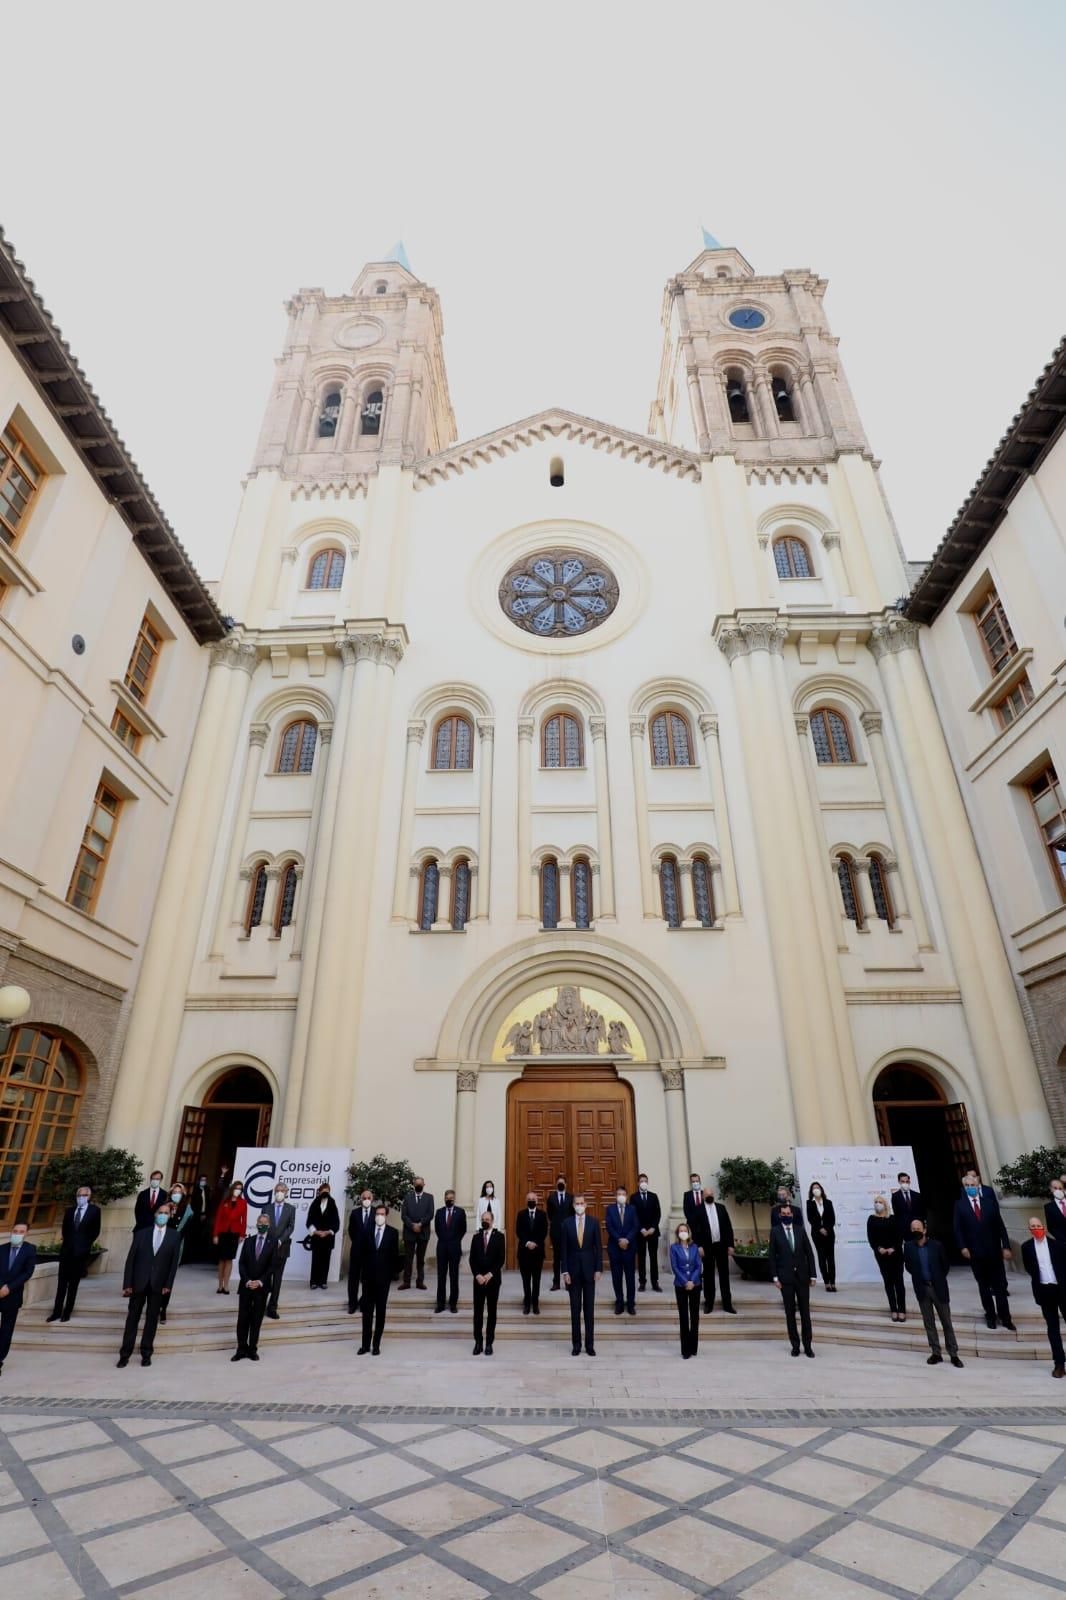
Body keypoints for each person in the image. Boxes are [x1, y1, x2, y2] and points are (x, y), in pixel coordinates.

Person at [118, 1202, 179, 1368]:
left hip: (158, 1285)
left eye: (166, 1213)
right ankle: (125, 1354)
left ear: (170, 1216)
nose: (163, 1215)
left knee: (152, 1320)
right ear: (155, 1214)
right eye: (160, 1212)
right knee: (132, 1319)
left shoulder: (174, 1236)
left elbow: (173, 1265)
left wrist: (168, 1285)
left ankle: (146, 1353)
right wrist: (127, 1283)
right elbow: (131, 1260)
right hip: (139, 1282)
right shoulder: (141, 1234)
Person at [953, 1169, 1015, 1330]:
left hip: (994, 1251)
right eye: (966, 1185)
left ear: (978, 1184)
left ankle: (1005, 1317)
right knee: (984, 1287)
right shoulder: (959, 1205)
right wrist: (963, 1247)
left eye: (972, 1185)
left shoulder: (988, 1203)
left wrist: (1006, 1246)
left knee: (1000, 1286)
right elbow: (958, 1229)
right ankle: (990, 1316)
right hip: (975, 1253)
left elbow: (1000, 1227)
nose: (970, 1187)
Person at [903, 1218, 964, 1368]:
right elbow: (909, 1266)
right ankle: (936, 1352)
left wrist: (936, 1279)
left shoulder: (936, 1246)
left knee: (946, 1322)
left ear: (924, 1230)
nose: (916, 1231)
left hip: (938, 1288)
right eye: (913, 1229)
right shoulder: (909, 1247)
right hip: (922, 1289)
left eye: (918, 1228)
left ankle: (954, 1354)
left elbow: (945, 1266)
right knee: (929, 1323)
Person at [768, 1202, 816, 1357]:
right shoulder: (775, 1232)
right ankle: (795, 1345)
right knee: (790, 1313)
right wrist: (775, 1277)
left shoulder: (800, 1230)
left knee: (805, 1313)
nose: (787, 1216)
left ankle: (808, 1345)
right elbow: (772, 1257)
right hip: (785, 1279)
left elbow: (809, 1253)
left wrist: (813, 1275)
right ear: (780, 1215)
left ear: (792, 1215)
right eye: (784, 1214)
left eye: (789, 1214)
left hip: (802, 1278)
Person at [1021, 1216, 1066, 1378]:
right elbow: (1029, 1268)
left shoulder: (1058, 1245)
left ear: (1044, 1227)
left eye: (1038, 1226)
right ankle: (1059, 1364)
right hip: (1044, 1291)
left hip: (1061, 1289)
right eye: (1033, 1226)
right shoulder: (1026, 1247)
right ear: (1030, 1230)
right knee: (1053, 1328)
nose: (1036, 1228)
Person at [48, 1184, 101, 1323]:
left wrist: (84, 1245)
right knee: (61, 1284)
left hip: (81, 1253)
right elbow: (65, 1229)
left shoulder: (95, 1211)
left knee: (73, 1284)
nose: (81, 1198)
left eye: (84, 1195)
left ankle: (67, 1312)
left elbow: (95, 1231)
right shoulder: (70, 1211)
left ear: (89, 1197)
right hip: (66, 1252)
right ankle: (56, 1312)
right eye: (79, 1195)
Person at [232, 1214, 278, 1362]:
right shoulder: (249, 1241)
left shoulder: (272, 1243)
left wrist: (260, 1281)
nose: (262, 1225)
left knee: (256, 1319)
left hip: (261, 1289)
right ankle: (241, 1348)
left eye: (265, 1223)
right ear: (256, 1223)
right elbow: (242, 1263)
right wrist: (247, 1281)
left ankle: (252, 1349)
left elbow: (272, 1266)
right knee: (243, 1319)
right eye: (260, 1222)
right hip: (246, 1287)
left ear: (269, 1225)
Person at [561, 1194, 602, 1356]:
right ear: (573, 1205)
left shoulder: (593, 1223)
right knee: (575, 1310)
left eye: (582, 1203)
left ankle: (590, 1345)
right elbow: (563, 1250)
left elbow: (598, 1247)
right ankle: (576, 1344)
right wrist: (565, 1272)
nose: (579, 1205)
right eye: (577, 1203)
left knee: (589, 1311)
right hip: (572, 1272)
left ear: (586, 1205)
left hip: (589, 1272)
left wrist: (598, 1269)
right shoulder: (566, 1223)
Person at [359, 1203, 398, 1355]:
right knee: (367, 1314)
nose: (379, 1216)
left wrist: (389, 1275)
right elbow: (362, 1255)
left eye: (382, 1214)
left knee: (380, 1313)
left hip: (383, 1281)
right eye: (377, 1214)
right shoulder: (367, 1232)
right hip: (368, 1279)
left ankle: (376, 1345)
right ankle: (365, 1345)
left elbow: (394, 1256)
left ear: (386, 1216)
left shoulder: (392, 1233)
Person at [0, 1222, 37, 1376]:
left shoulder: (30, 1250)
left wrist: (9, 1287)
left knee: (6, 1330)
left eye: (21, 1231)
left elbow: (27, 1273)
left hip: (13, 1295)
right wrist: (1, 1286)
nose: (17, 1234)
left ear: (26, 1233)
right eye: (15, 1231)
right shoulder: (2, 1249)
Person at [693, 1183, 736, 1315]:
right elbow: (695, 1230)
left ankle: (727, 1304)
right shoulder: (698, 1210)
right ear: (703, 1196)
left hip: (721, 1246)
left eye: (711, 1194)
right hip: (707, 1247)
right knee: (708, 1275)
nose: (709, 1196)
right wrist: (698, 1246)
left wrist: (730, 1245)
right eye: (707, 1195)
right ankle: (709, 1303)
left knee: (724, 1275)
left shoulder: (721, 1208)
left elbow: (728, 1227)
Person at [469, 1209, 505, 1354]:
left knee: (491, 1312)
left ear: (492, 1221)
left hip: (493, 1280)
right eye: (483, 1219)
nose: (485, 1221)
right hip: (478, 1281)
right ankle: (478, 1342)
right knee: (478, 1313)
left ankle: (489, 1343)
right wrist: (477, 1274)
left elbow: (501, 1259)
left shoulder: (499, 1237)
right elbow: (472, 1259)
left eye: (487, 1219)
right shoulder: (476, 1237)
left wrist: (490, 1274)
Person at [867, 1196, 906, 1322]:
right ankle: (893, 1309)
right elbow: (871, 1238)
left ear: (885, 1204)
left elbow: (899, 1236)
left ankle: (902, 1309)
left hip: (896, 1254)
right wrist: (879, 1248)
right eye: (876, 1202)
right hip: (881, 1256)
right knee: (888, 1283)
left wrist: (893, 1248)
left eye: (880, 1202)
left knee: (899, 1283)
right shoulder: (871, 1219)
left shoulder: (893, 1218)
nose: (878, 1204)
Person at [159, 1182, 193, 1323]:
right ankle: (154, 1305)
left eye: (179, 1192)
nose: (176, 1195)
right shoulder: (164, 1207)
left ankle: (163, 1309)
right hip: (161, 1244)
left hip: (176, 1246)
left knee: (168, 1279)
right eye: (174, 1192)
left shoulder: (188, 1210)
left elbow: (187, 1230)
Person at [670, 1222, 702, 1358]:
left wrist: (692, 1281)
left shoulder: (695, 1247)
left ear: (689, 1233)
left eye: (685, 1230)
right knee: (684, 1317)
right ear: (677, 1234)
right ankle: (685, 1350)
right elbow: (675, 1267)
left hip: (695, 1285)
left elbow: (698, 1266)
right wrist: (685, 1282)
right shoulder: (674, 1248)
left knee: (695, 1317)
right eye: (680, 1231)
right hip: (680, 1285)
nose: (683, 1233)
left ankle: (693, 1347)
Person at [605, 1185, 638, 1316]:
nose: (621, 1196)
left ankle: (630, 1304)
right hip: (615, 1249)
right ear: (615, 1196)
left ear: (627, 1195)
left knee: (630, 1278)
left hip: (629, 1248)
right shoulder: (610, 1209)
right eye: (618, 1194)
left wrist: (627, 1240)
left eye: (623, 1194)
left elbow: (636, 1226)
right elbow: (609, 1226)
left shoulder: (632, 1209)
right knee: (616, 1278)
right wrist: (619, 1240)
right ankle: (619, 1302)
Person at [265, 1180, 296, 1319]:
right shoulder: (266, 1208)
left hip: (282, 1248)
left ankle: (272, 1307)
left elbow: (291, 1227)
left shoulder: (290, 1208)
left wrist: (280, 1240)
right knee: (265, 1277)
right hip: (267, 1247)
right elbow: (263, 1226)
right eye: (277, 1190)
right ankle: (260, 1304)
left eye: (282, 1191)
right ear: (274, 1192)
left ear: (286, 1193)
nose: (280, 1193)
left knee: (277, 1279)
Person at [434, 1189, 467, 1314]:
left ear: (454, 1199)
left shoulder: (460, 1212)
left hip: (454, 1248)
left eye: (451, 1197)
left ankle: (453, 1304)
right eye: (447, 1197)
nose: (449, 1199)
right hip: (442, 1247)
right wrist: (445, 1239)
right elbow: (437, 1229)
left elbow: (463, 1229)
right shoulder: (439, 1212)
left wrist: (455, 1241)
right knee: (441, 1277)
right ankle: (440, 1304)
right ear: (444, 1198)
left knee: (454, 1277)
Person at [212, 1180, 248, 1294]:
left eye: (240, 1189)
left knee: (229, 1259)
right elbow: (218, 1219)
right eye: (236, 1188)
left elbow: (244, 1220)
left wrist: (242, 1234)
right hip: (223, 1233)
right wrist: (215, 1234)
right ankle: (220, 1285)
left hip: (234, 1233)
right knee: (221, 1259)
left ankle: (226, 1285)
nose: (238, 1190)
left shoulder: (243, 1202)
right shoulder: (224, 1202)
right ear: (232, 1188)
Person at [515, 1191, 548, 1315]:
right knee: (526, 1280)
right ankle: (527, 1303)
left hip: (537, 1252)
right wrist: (527, 1242)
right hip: (524, 1252)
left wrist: (535, 1243)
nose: (531, 1201)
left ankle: (535, 1303)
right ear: (526, 1201)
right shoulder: (521, 1214)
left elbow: (544, 1231)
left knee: (536, 1280)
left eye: (533, 1199)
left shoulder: (542, 1215)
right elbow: (519, 1231)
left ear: (537, 1201)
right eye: (529, 1199)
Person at [399, 1177, 434, 1290]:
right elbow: (404, 1215)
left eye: (420, 1183)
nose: (418, 1185)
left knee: (420, 1259)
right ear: (413, 1184)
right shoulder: (407, 1197)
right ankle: (406, 1282)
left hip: (423, 1232)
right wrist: (412, 1225)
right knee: (408, 1258)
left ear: (424, 1184)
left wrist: (420, 1224)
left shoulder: (429, 1197)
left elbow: (430, 1214)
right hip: (409, 1232)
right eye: (416, 1183)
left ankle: (420, 1282)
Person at [347, 1187, 376, 1315]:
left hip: (370, 1253)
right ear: (360, 1199)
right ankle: (352, 1304)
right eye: (364, 1198)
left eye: (368, 1198)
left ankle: (364, 1303)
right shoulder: (355, 1213)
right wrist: (358, 1242)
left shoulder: (377, 1213)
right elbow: (351, 1231)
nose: (366, 1200)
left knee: (367, 1279)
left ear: (372, 1199)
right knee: (353, 1279)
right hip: (356, 1251)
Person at [631, 1174, 662, 1292]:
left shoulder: (654, 1196)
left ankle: (655, 1282)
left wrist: (653, 1227)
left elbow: (658, 1213)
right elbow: (634, 1214)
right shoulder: (634, 1197)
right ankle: (642, 1282)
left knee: (653, 1257)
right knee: (642, 1257)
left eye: (645, 1181)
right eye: (641, 1181)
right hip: (640, 1233)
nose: (644, 1183)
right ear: (638, 1183)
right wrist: (641, 1228)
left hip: (653, 1232)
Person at [306, 1182, 340, 1289]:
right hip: (316, 1238)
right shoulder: (314, 1203)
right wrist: (316, 1232)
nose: (325, 1193)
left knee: (326, 1261)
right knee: (315, 1260)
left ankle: (323, 1281)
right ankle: (313, 1282)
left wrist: (328, 1232)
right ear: (319, 1191)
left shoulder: (333, 1203)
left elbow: (336, 1222)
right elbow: (309, 1220)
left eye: (327, 1191)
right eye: (323, 1191)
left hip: (328, 1238)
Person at [805, 1182, 836, 1292]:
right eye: (814, 1188)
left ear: (821, 1189)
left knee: (831, 1259)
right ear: (811, 1191)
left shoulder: (828, 1202)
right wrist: (820, 1228)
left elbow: (832, 1218)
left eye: (817, 1187)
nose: (816, 1189)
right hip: (817, 1234)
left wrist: (826, 1229)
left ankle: (833, 1282)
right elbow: (810, 1218)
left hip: (829, 1234)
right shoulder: (809, 1203)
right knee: (822, 1259)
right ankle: (826, 1283)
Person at [547, 1177, 573, 1290]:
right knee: (556, 1258)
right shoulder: (551, 1198)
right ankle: (556, 1282)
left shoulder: (570, 1197)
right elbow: (550, 1214)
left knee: (567, 1257)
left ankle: (568, 1282)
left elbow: (572, 1214)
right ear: (556, 1184)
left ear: (566, 1184)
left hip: (568, 1232)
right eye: (559, 1183)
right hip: (556, 1232)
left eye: (562, 1183)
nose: (561, 1185)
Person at [133, 1168, 166, 1232]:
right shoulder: (142, 1194)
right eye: (153, 1179)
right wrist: (141, 1224)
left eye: (157, 1179)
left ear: (161, 1180)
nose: (154, 1181)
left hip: (157, 1228)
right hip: (141, 1228)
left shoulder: (165, 1195)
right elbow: (137, 1211)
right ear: (150, 1179)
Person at [1044, 1179, 1066, 1244]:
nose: (1058, 1190)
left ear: (1064, 1189)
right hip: (1062, 1243)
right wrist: (1063, 1240)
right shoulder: (1048, 1207)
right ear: (1051, 1189)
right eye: (1055, 1188)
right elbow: (1051, 1227)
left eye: (1060, 1188)